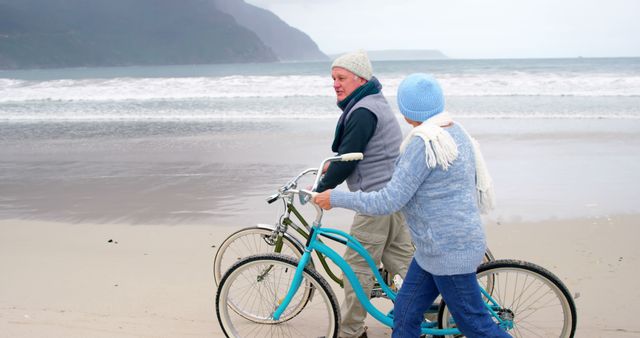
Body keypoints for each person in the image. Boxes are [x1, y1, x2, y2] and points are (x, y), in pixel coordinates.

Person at [313, 73, 510, 338]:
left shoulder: (423, 143)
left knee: (476, 324)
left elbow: (389, 200)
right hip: (435, 249)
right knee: (405, 315)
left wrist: (334, 198)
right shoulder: (454, 130)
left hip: (448, 251)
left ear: (407, 110)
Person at [317, 50, 414, 338]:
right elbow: (356, 153)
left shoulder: (362, 111)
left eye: (342, 78)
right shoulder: (373, 102)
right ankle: (431, 311)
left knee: (355, 268)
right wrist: (327, 171)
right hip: (393, 195)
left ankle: (350, 332)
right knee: (402, 262)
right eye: (333, 78)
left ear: (360, 79)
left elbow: (350, 157)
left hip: (377, 201)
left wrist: (322, 190)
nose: (335, 83)